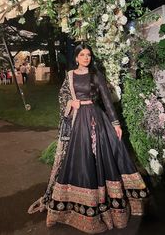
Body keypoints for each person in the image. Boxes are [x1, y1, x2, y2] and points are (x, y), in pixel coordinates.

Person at [28, 44, 149, 233]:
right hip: (78, 123)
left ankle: (108, 208)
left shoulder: (96, 76)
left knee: (102, 158)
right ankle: (74, 208)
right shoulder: (69, 76)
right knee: (81, 161)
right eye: (82, 55)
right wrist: (71, 103)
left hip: (96, 120)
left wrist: (115, 123)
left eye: (88, 55)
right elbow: (62, 97)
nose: (86, 58)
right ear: (76, 58)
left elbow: (107, 101)